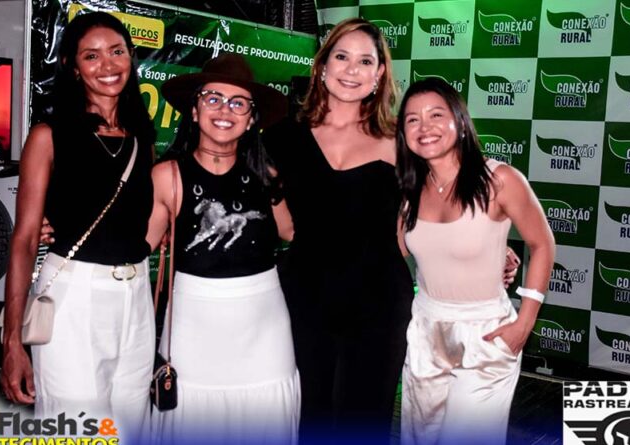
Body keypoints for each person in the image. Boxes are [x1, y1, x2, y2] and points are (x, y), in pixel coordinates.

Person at [0, 11, 156, 437]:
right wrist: (12, 341)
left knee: (131, 428)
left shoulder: (142, 138)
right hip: (74, 296)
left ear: (131, 57)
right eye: (92, 56)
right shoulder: (49, 135)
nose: (108, 65)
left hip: (136, 297)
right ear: (73, 67)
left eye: (117, 51)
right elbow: (25, 238)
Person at [262, 18, 413, 441]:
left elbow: (424, 222)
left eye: (365, 61)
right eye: (342, 56)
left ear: (379, 73)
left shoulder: (402, 140)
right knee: (309, 416)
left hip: (379, 304)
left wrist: (494, 252)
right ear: (322, 65)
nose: (352, 70)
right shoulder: (282, 137)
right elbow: (282, 225)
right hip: (305, 299)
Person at [148, 53, 299, 444]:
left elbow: (291, 231)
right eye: (213, 98)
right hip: (192, 324)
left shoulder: (267, 175)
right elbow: (137, 245)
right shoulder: (167, 176)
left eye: (238, 103)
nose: (224, 110)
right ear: (194, 110)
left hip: (264, 328)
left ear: (251, 119)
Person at [396, 78, 555, 445]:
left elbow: (543, 244)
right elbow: (394, 251)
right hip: (425, 331)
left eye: (436, 115)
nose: (425, 127)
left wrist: (524, 323)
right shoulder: (408, 189)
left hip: (486, 334)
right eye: (412, 119)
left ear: (460, 121)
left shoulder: (499, 179)